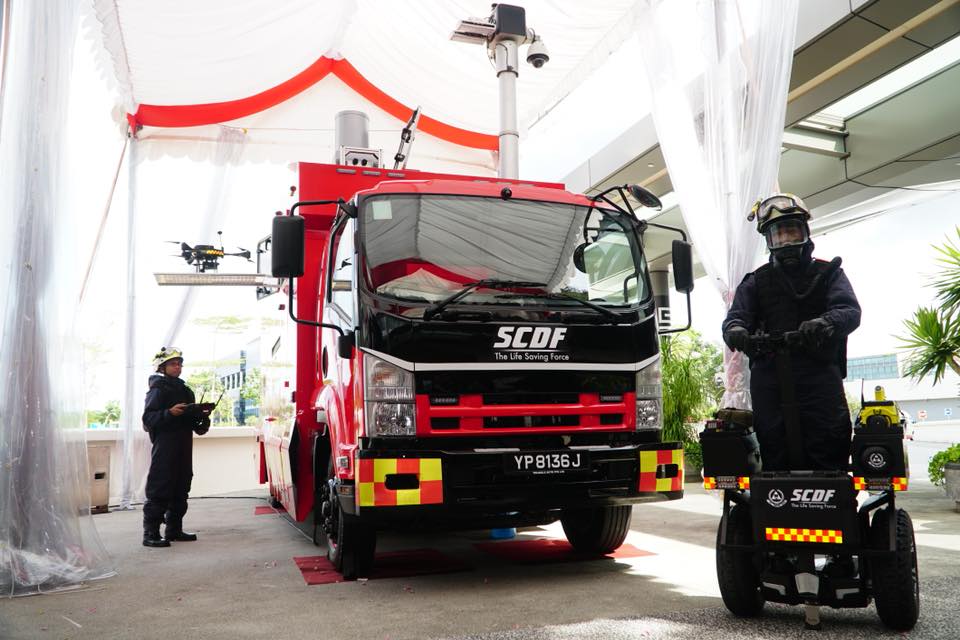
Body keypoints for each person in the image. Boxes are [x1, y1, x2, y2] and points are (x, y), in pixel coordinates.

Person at [722, 194, 861, 472]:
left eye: (791, 231)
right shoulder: (756, 281)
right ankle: (775, 508)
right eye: (778, 234)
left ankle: (834, 507)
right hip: (770, 379)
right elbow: (735, 318)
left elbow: (849, 311)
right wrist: (736, 330)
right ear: (768, 241)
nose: (785, 239)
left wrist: (824, 323)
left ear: (804, 232)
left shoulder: (829, 273)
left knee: (828, 438)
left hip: (818, 375)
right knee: (774, 442)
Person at [141, 347, 211, 547]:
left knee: (181, 485)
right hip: (165, 445)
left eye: (180, 363)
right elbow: (148, 419)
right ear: (162, 367)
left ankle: (174, 529)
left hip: (183, 445)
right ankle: (151, 534)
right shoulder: (158, 389)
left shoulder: (185, 390)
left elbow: (193, 424)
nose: (178, 366)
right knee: (160, 486)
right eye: (173, 363)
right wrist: (169, 413)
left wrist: (202, 419)